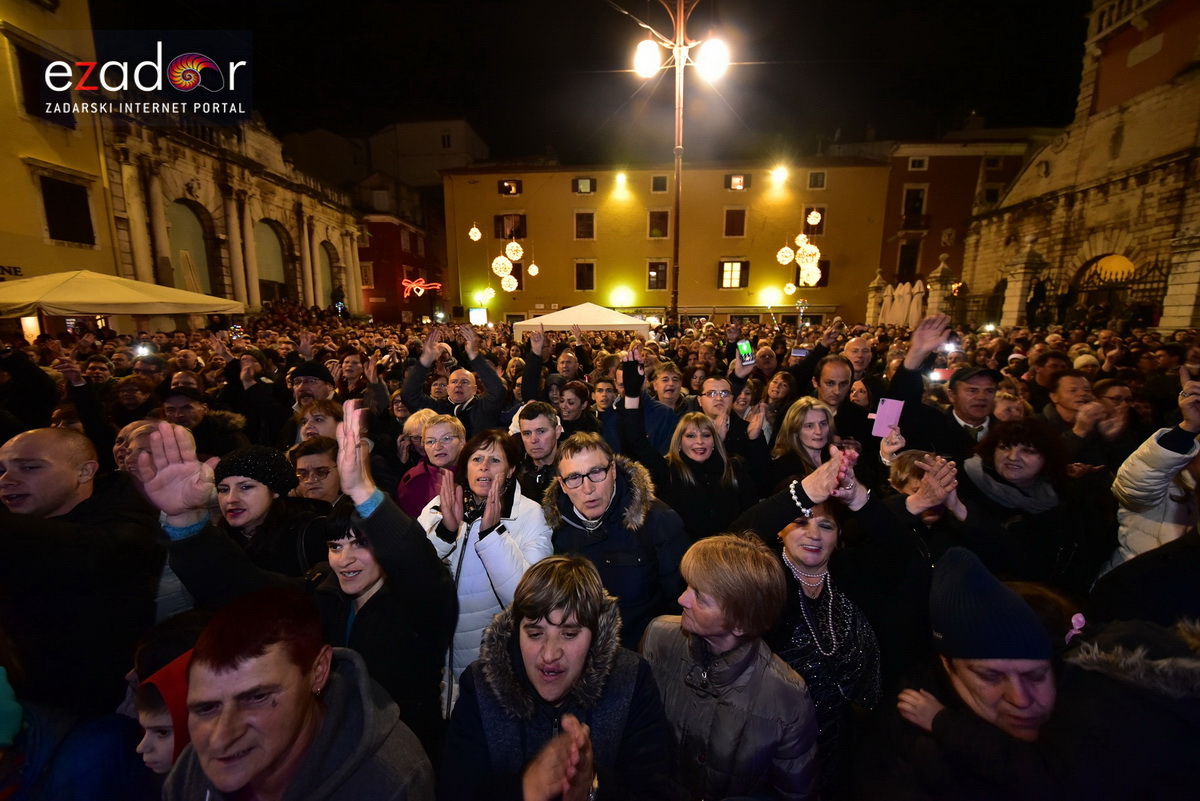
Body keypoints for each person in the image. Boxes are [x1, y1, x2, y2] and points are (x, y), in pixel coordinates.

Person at [145, 403, 458, 758]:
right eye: (335, 546)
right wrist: (185, 523)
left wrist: (364, 493)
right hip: (328, 754)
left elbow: (420, 567)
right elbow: (242, 587)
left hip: (399, 759)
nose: (345, 559)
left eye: (361, 544)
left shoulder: (417, 605)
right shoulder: (323, 590)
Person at [161, 587, 435, 800]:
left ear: (318, 671)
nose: (220, 739)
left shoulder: (389, 781)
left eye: (257, 698)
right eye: (206, 708)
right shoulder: (190, 771)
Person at [439, 555, 674, 801]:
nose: (550, 654)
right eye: (535, 634)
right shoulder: (480, 685)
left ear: (595, 636)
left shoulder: (630, 678)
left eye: (569, 634)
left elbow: (653, 791)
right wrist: (525, 789)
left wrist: (593, 786)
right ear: (516, 632)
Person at [853, 547, 1057, 800]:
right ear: (948, 666)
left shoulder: (1086, 704)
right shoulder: (909, 753)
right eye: (990, 677)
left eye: (1035, 676)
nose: (1021, 699)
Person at [640, 534, 820, 801]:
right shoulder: (658, 637)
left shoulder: (787, 695)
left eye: (700, 597)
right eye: (688, 586)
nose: (682, 599)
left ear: (741, 623)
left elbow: (795, 794)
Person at [0, 426, 163, 717]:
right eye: (1, 470)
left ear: (85, 471)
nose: (7, 480)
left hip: (95, 713)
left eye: (29, 467)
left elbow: (88, 553)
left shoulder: (130, 528)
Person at [418, 429, 553, 715]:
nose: (484, 467)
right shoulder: (438, 507)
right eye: (476, 459)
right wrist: (445, 533)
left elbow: (529, 599)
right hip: (435, 659)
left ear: (511, 469)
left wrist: (492, 535)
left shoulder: (529, 515)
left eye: (495, 460)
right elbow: (410, 571)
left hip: (492, 661)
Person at [544, 432, 689, 650]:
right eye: (574, 478)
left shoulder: (658, 521)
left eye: (596, 472)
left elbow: (681, 606)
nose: (587, 488)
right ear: (562, 485)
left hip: (642, 652)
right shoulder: (552, 526)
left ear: (612, 470)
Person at [618, 408, 757, 542]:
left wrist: (755, 440)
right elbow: (635, 441)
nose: (699, 441)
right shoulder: (667, 470)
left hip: (727, 553)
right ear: (679, 441)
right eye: (691, 436)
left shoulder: (731, 468)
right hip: (683, 554)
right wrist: (632, 398)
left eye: (706, 435)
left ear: (715, 440)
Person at [397, 414, 465, 518]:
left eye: (446, 438)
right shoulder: (413, 483)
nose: (438, 447)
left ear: (462, 441)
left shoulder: (480, 474)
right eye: (430, 441)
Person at [515, 401, 562, 503]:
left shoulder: (573, 472)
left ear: (557, 432)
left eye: (541, 431)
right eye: (527, 433)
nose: (533, 440)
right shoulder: (514, 473)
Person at [289, 435, 343, 505]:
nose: (310, 480)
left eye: (321, 472)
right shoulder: (290, 509)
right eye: (303, 474)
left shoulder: (355, 508)